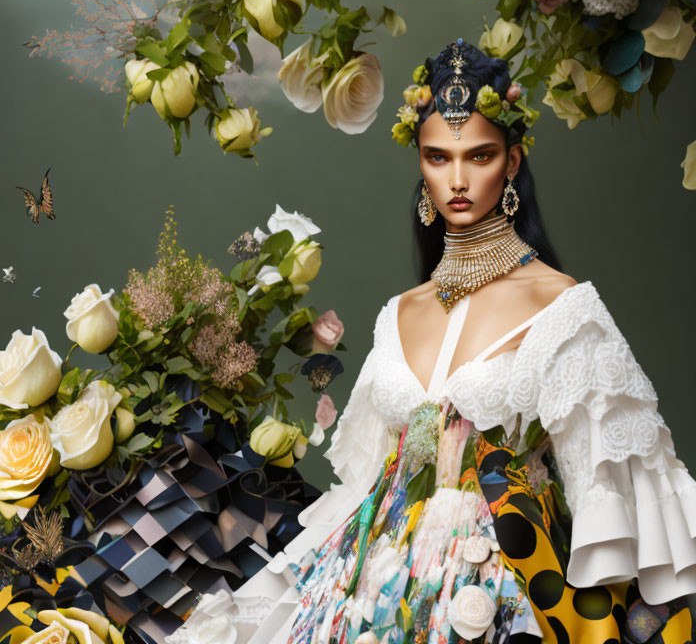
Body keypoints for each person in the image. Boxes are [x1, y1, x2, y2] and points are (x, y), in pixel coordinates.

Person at [169, 40, 696, 644]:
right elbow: (366, 485)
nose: (459, 179)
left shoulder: (561, 305)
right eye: (438, 158)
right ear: (420, 163)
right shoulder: (399, 314)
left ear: (513, 162)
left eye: (481, 156)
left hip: (498, 593)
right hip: (369, 592)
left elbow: (605, 499)